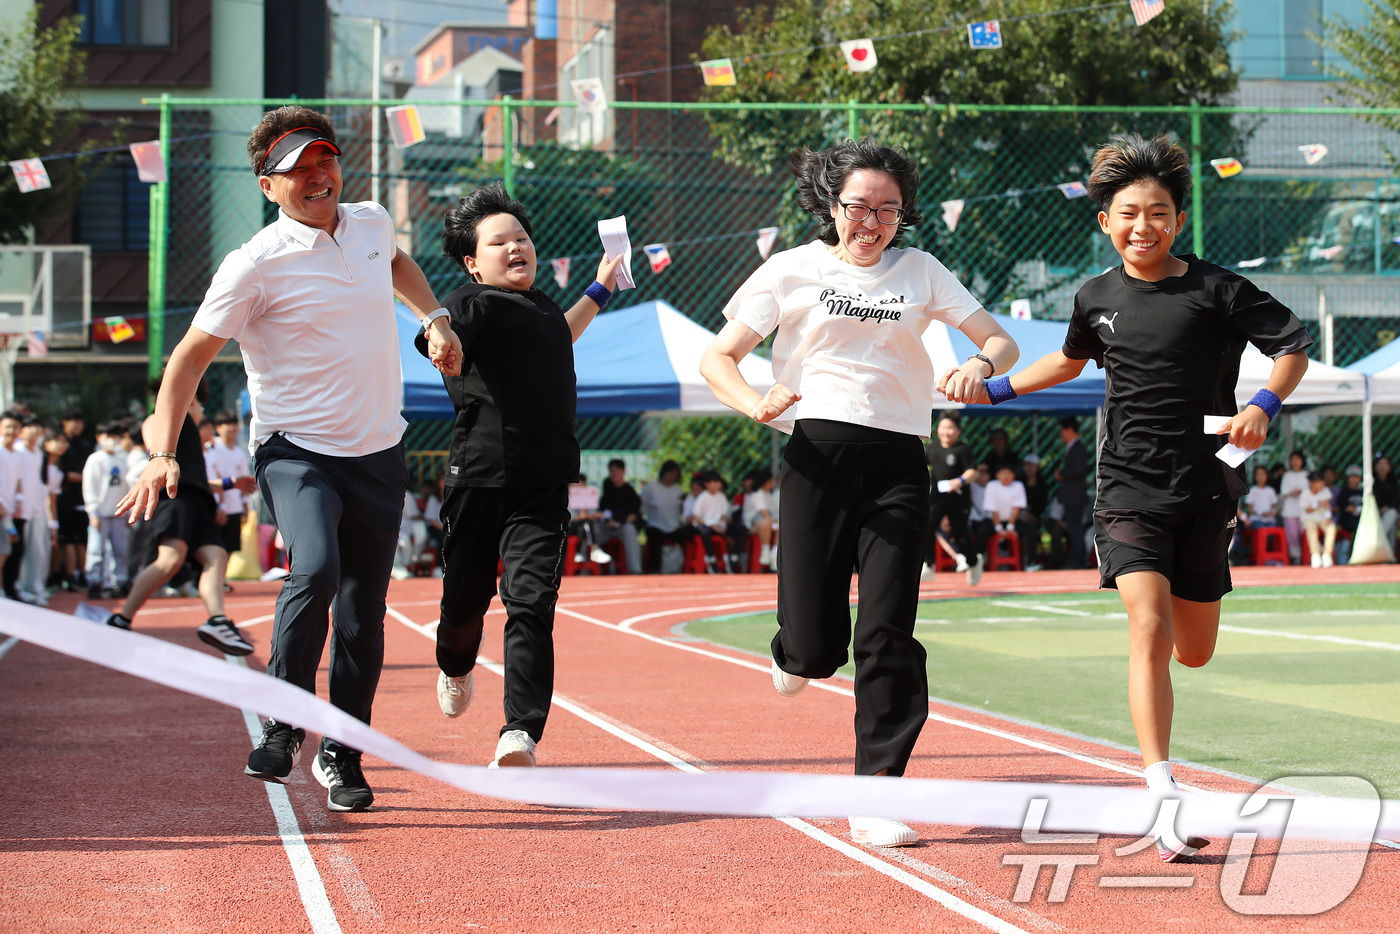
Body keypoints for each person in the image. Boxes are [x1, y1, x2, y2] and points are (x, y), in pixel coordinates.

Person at [962, 133, 1310, 861]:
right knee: (1145, 625)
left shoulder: (1218, 290)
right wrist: (993, 388)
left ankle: (1168, 762)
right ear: (1105, 223)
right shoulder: (1095, 297)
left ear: (1178, 219)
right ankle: (1162, 793)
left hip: (1206, 489)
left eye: (1157, 211)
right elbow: (1066, 360)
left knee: (1196, 650)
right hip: (1126, 488)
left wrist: (1264, 407)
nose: (1142, 224)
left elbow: (1291, 348)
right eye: (1128, 212)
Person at [117, 105, 463, 813]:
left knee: (365, 612)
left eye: (325, 160)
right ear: (267, 186)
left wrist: (434, 317)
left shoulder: (370, 223)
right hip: (296, 451)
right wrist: (160, 452)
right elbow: (185, 363)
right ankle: (283, 720)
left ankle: (343, 751)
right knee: (316, 568)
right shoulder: (253, 265)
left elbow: (395, 262)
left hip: (379, 448)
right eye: (297, 169)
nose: (316, 176)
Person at [700, 138, 1017, 848]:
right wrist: (755, 402)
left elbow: (999, 341)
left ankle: (876, 791)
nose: (870, 222)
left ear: (902, 215)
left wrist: (976, 365)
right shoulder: (790, 270)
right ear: (830, 205)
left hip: (900, 462)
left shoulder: (923, 271)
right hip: (815, 457)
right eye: (857, 207)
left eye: (887, 210)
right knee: (817, 647)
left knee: (887, 632)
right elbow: (718, 356)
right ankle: (795, 653)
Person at [421, 181, 621, 771]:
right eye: (499, 242)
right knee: (462, 609)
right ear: (471, 262)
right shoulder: (470, 303)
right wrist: (440, 335)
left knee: (531, 603)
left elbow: (566, 328)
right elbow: (443, 325)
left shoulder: (543, 311)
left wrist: (604, 282)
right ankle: (455, 666)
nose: (516, 248)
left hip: (541, 485)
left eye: (523, 238)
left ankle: (519, 732)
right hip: (479, 481)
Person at [922, 414, 983, 583]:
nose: (946, 432)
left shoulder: (962, 450)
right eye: (943, 428)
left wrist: (960, 481)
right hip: (937, 497)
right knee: (927, 525)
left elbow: (974, 472)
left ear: (958, 431)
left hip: (958, 498)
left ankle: (974, 561)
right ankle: (929, 564)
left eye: (950, 429)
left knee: (960, 532)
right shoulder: (933, 447)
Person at [82, 422, 133, 598]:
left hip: (118, 514)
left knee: (120, 549)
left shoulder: (122, 459)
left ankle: (118, 582)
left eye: (115, 436)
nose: (112, 440)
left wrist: (128, 510)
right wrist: (93, 511)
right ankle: (94, 582)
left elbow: (127, 486)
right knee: (96, 549)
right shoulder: (95, 459)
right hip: (101, 514)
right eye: (107, 436)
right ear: (99, 438)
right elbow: (90, 487)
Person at [204, 411, 254, 560]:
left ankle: (221, 580)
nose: (232, 428)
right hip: (215, 504)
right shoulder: (212, 447)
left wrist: (245, 505)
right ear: (218, 428)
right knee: (214, 546)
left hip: (234, 506)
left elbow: (245, 481)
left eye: (234, 424)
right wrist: (221, 505)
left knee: (230, 547)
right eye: (227, 424)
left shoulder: (240, 453)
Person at [13, 415, 51, 605]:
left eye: (38, 427)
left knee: (38, 550)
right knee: (19, 551)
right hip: (18, 510)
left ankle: (36, 587)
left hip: (36, 508)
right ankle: (19, 587)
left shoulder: (38, 452)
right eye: (31, 427)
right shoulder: (18, 451)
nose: (35, 431)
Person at [56, 407, 93, 590]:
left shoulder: (85, 446)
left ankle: (82, 576)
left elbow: (85, 473)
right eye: (74, 421)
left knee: (80, 539)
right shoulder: (59, 444)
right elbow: (57, 474)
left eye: (80, 421)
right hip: (63, 498)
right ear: (64, 423)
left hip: (81, 497)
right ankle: (68, 576)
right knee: (66, 540)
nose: (78, 425)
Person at [640, 460, 689, 573]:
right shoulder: (652, 488)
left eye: (675, 474)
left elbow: (683, 511)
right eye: (670, 473)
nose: (672, 477)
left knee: (687, 538)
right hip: (655, 525)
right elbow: (641, 507)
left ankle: (684, 568)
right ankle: (654, 570)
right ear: (664, 472)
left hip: (674, 527)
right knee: (655, 540)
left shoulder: (678, 489)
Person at [1054, 417, 1090, 570]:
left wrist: (1062, 473)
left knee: (1075, 527)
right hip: (1072, 495)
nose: (1061, 434)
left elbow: (1079, 470)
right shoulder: (1073, 447)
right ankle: (1076, 558)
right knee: (1074, 526)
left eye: (1062, 430)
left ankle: (1078, 559)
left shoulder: (1078, 448)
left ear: (1069, 429)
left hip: (1075, 495)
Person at [597, 458, 643, 574]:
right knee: (591, 529)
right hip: (606, 526)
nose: (613, 474)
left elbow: (634, 515)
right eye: (611, 471)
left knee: (630, 530)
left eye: (616, 470)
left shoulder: (629, 491)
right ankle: (586, 567)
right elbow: (602, 509)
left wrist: (618, 522)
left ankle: (635, 569)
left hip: (622, 526)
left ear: (623, 471)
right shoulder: (607, 487)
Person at [984, 464, 1033, 569]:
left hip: (1012, 521)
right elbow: (993, 509)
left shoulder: (1018, 486)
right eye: (1003, 473)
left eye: (1008, 474)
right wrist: (998, 528)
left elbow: (1016, 508)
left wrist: (1010, 527)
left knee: (1031, 531)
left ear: (1013, 475)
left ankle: (1030, 562)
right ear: (997, 475)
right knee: (981, 531)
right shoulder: (992, 485)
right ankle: (980, 561)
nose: (1006, 477)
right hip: (995, 522)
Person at [690, 471, 733, 572]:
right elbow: (696, 517)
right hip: (706, 525)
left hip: (718, 526)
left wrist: (722, 523)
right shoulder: (702, 498)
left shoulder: (722, 497)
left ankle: (733, 557)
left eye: (719, 482)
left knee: (740, 529)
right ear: (707, 484)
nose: (718, 484)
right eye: (714, 482)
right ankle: (711, 558)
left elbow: (724, 514)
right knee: (705, 532)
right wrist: (710, 524)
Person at [742, 469, 778, 571]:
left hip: (768, 523)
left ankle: (775, 553)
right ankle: (765, 550)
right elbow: (764, 514)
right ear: (766, 481)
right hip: (752, 527)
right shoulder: (757, 494)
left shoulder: (768, 495)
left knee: (780, 524)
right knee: (765, 523)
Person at [1300, 471, 1337, 567]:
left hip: (1322, 518)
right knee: (1311, 528)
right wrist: (1318, 504)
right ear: (1312, 483)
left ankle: (1327, 554)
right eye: (1319, 482)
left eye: (1322, 482)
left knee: (1331, 528)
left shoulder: (1325, 491)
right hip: (1309, 518)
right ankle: (1315, 554)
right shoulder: (1305, 493)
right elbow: (1307, 510)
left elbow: (1327, 505)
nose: (1322, 484)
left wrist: (1328, 516)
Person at [1279, 451, 1309, 565]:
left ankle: (1307, 555)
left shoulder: (1307, 475)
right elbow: (1283, 491)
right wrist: (1291, 492)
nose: (1295, 462)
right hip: (1290, 510)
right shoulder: (1287, 475)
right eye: (1293, 459)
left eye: (1297, 459)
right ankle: (1295, 556)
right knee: (1292, 535)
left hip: (1303, 509)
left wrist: (1302, 492)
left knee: (1304, 533)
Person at [0, 412, 19, 591]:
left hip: (8, 513)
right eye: (7, 427)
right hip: (1, 511)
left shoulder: (15, 453)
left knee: (4, 553)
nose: (11, 431)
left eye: (15, 427)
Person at [1335, 465, 1365, 566]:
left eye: (1356, 476)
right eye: (1352, 476)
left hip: (1360, 523)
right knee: (1345, 545)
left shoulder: (1363, 492)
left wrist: (1357, 510)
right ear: (1348, 478)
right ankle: (1342, 562)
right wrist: (1355, 509)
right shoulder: (1344, 492)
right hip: (1347, 523)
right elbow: (1344, 506)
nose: (1354, 479)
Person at [1374, 455, 1399, 547]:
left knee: (1392, 514)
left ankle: (1378, 540)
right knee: (1391, 521)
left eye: (1384, 464)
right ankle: (1388, 555)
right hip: (1375, 512)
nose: (1382, 467)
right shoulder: (1372, 483)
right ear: (1374, 467)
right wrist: (1381, 508)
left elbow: (1395, 501)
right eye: (1379, 464)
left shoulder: (1393, 483)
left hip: (1389, 512)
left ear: (1389, 467)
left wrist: (1387, 508)